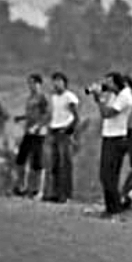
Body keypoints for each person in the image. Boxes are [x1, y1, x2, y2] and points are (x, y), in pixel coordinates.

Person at [92, 72, 132, 217]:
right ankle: (110, 206)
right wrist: (98, 94)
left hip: (117, 138)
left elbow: (107, 113)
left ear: (117, 83)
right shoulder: (114, 95)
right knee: (105, 174)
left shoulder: (125, 96)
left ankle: (114, 207)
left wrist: (98, 99)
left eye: (110, 82)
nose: (107, 85)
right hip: (109, 136)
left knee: (109, 175)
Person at [12, 74, 50, 198]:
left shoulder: (42, 97)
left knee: (37, 161)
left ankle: (38, 190)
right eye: (29, 83)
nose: (31, 86)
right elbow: (31, 114)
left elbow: (46, 114)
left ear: (39, 84)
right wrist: (21, 118)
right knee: (21, 158)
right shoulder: (30, 98)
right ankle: (21, 186)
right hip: (28, 131)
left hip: (39, 133)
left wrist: (38, 126)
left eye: (33, 83)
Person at [46, 72, 79, 203]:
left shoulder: (69, 97)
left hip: (64, 130)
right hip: (54, 129)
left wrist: (69, 129)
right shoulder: (54, 97)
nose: (56, 84)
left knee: (64, 163)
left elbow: (76, 116)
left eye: (59, 81)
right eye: (54, 81)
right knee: (54, 163)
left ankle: (65, 194)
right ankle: (54, 191)